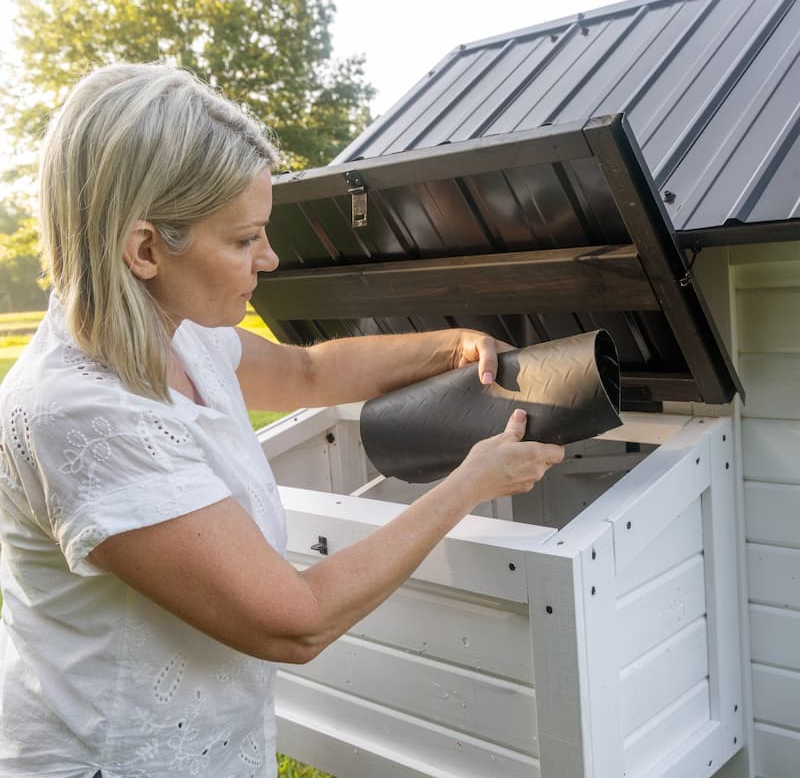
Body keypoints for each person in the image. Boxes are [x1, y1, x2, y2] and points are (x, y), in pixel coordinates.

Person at [0, 63, 564, 778]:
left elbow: (309, 372)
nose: (267, 258)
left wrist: (451, 345)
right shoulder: (79, 415)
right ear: (144, 250)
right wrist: (469, 484)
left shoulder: (180, 331)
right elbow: (297, 621)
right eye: (243, 240)